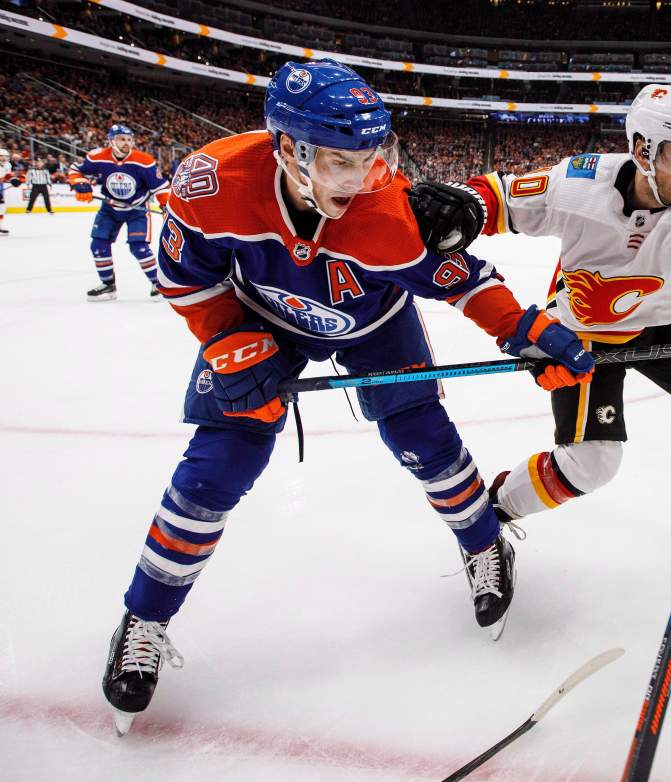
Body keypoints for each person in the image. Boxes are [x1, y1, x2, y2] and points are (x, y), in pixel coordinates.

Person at [100, 59, 594, 736]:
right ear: (288, 149)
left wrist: (529, 330)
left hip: (375, 324)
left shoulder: (384, 209)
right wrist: (224, 339)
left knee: (424, 440)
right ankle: (145, 617)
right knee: (217, 467)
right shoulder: (213, 183)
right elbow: (184, 275)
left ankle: (485, 545)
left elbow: (464, 279)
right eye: (338, 162)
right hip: (262, 320)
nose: (360, 179)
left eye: (371, 158)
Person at [409, 83, 671, 568]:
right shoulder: (577, 184)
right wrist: (465, 204)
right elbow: (500, 197)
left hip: (658, 322)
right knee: (591, 466)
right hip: (580, 335)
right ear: (642, 149)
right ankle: (491, 516)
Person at [68, 125, 171, 301]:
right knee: (98, 245)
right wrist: (80, 183)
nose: (126, 143)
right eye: (122, 139)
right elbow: (75, 170)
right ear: (111, 140)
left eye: (129, 139)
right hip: (109, 209)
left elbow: (161, 187)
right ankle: (108, 285)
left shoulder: (143, 161)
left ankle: (157, 284)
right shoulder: (98, 157)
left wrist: (165, 207)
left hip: (136, 209)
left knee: (138, 247)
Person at [0, 147, 10, 235]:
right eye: (1, 156)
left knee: (2, 207)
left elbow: (7, 176)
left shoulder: (8, 165)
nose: (3, 158)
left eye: (5, 156)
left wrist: (15, 179)